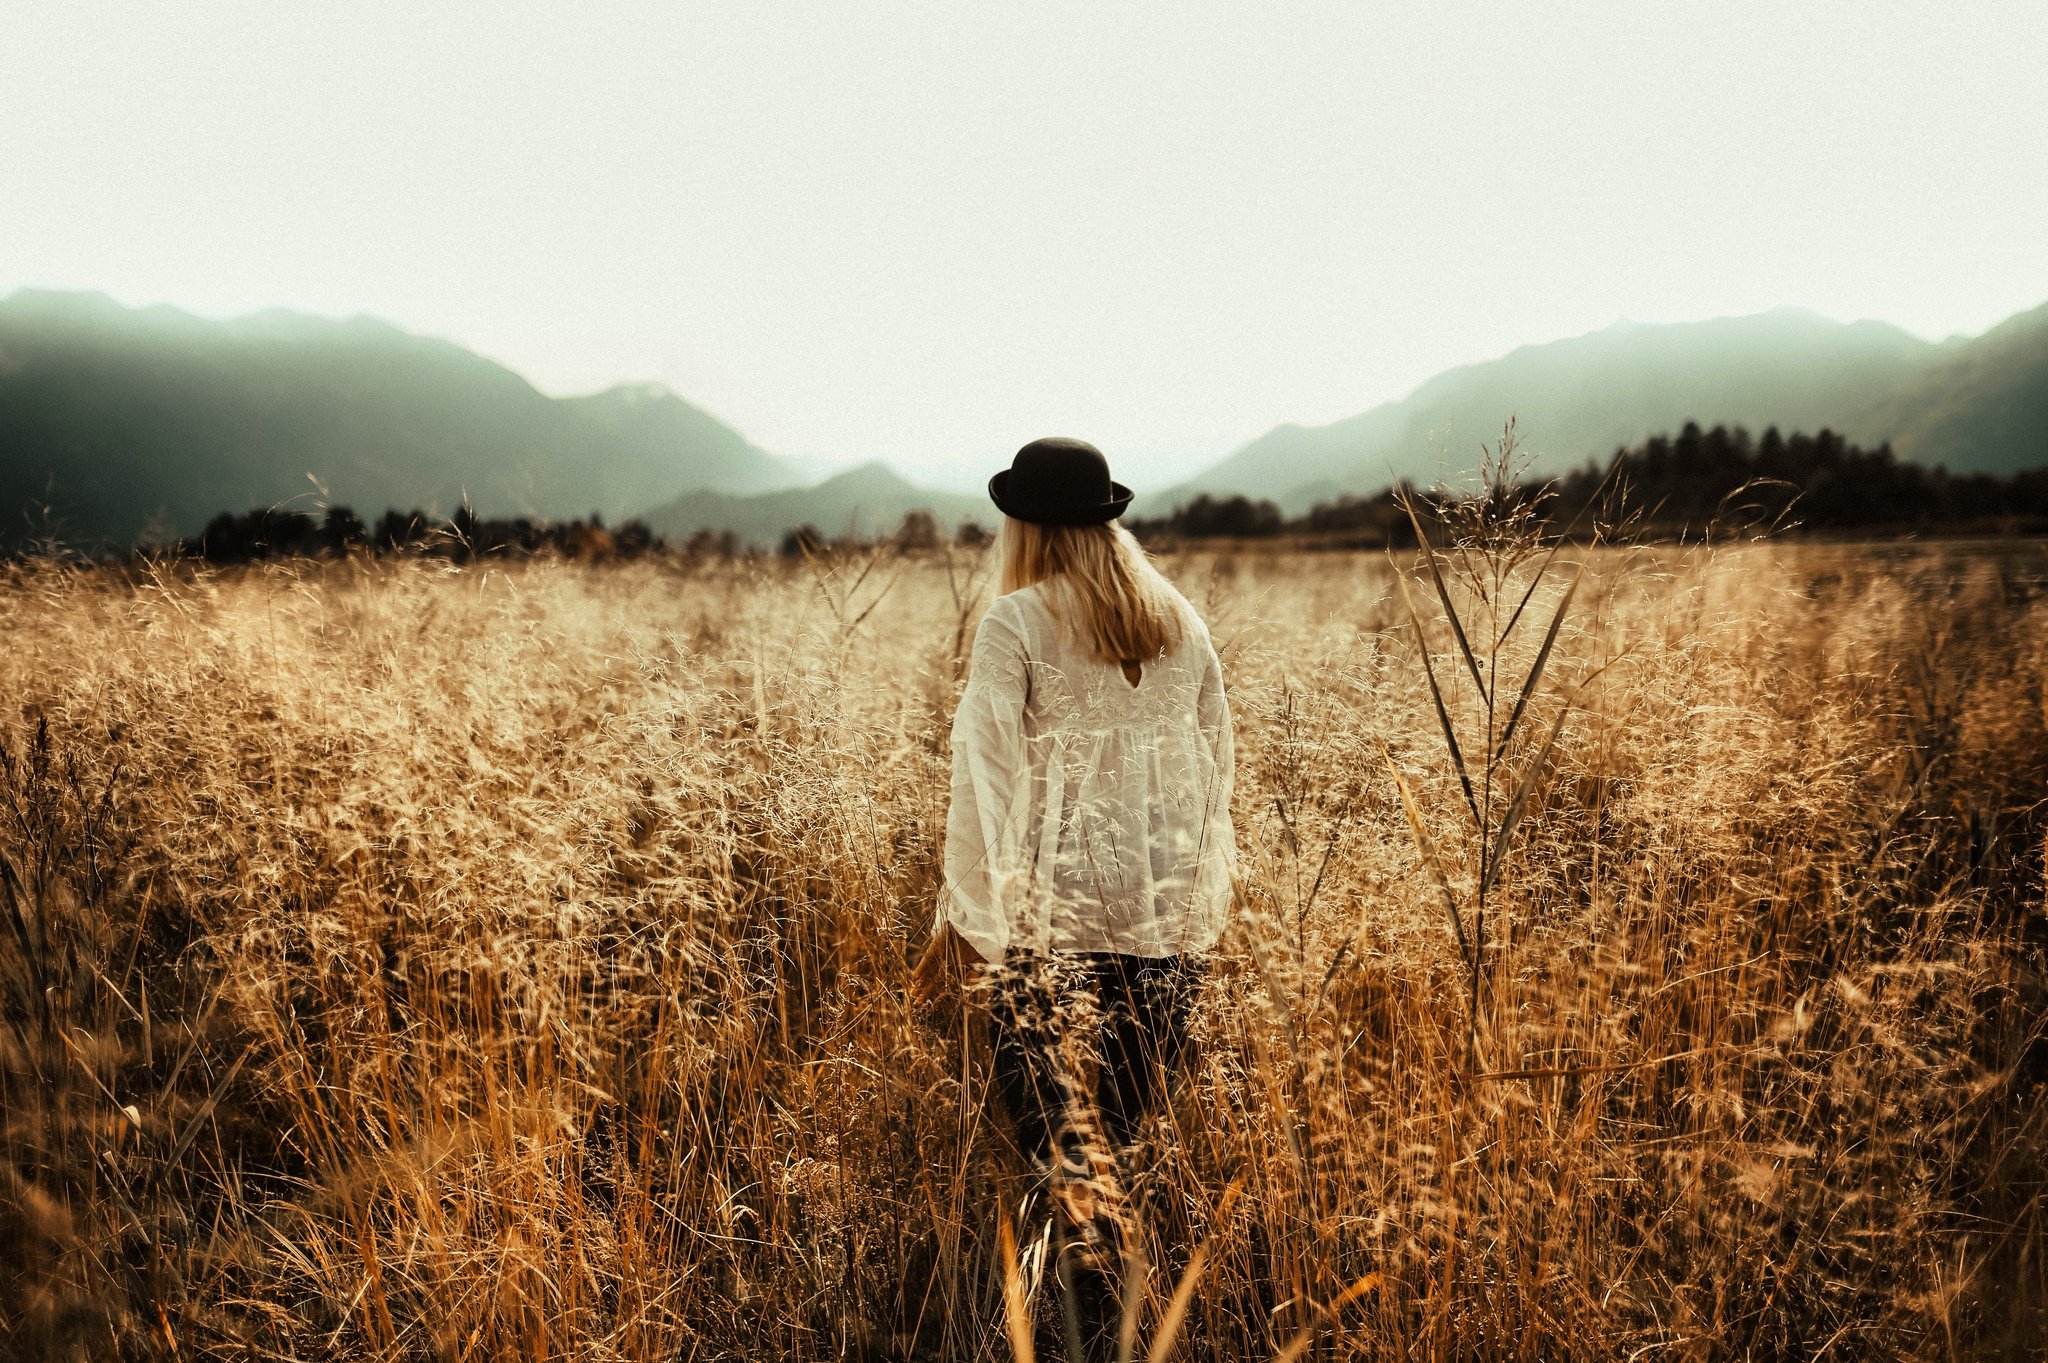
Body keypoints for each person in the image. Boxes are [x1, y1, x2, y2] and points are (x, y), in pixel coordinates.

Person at [909, 435, 1237, 1260]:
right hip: (1162, 918)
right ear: (1106, 522)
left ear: (1023, 528)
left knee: (1056, 1158)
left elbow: (981, 779)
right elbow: (1217, 769)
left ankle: (1070, 1322)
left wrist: (969, 909)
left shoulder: (1014, 619)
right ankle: (1129, 1309)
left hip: (1048, 922)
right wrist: (1192, 894)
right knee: (1124, 1142)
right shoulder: (1179, 617)